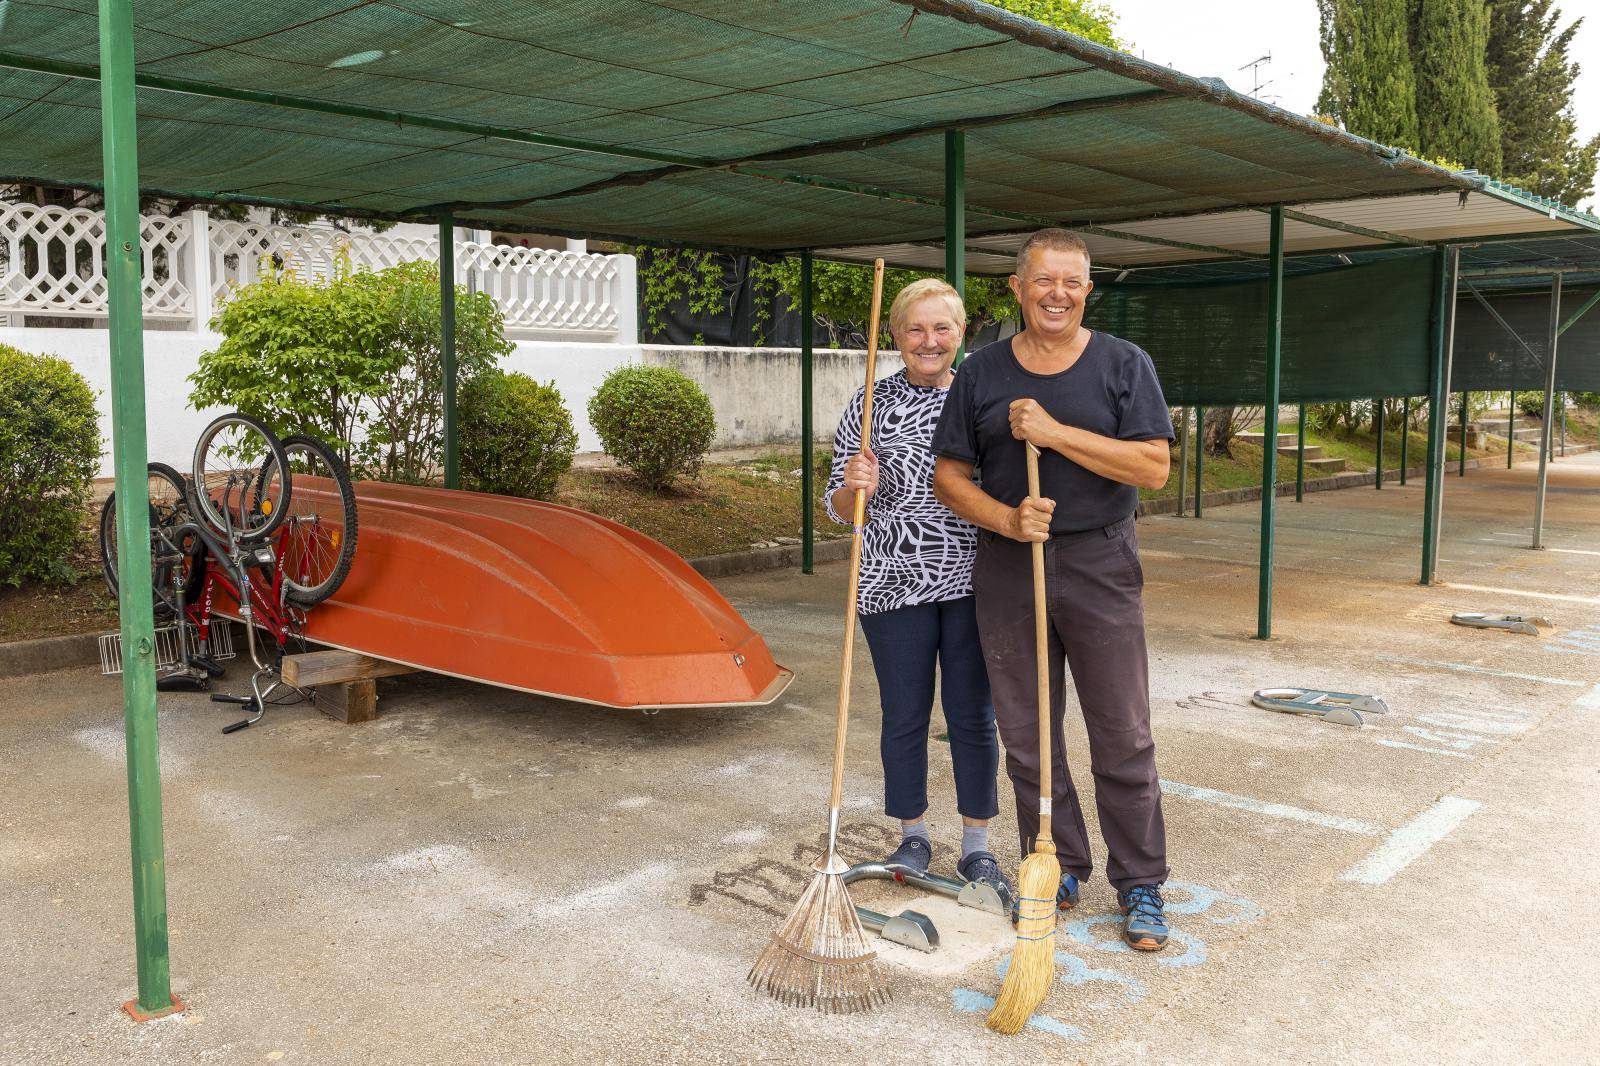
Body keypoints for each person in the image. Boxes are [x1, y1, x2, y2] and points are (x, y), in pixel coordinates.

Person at [930, 229, 1174, 951]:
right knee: (1029, 731)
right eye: (1043, 281)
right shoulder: (980, 373)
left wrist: (1054, 432)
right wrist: (1006, 516)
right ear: (1017, 288)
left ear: (1088, 290)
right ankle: (1059, 861)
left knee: (1122, 732)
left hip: (1101, 563)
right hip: (1010, 565)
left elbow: (1153, 467)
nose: (1057, 294)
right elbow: (949, 478)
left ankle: (1142, 885)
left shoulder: (1124, 364)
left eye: (1072, 281)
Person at [826, 277, 1009, 897]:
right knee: (905, 713)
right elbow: (841, 508)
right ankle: (913, 833)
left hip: (971, 579)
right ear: (896, 335)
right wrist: (856, 486)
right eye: (914, 329)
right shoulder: (869, 405)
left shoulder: (983, 400)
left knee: (971, 715)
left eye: (941, 328)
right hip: (888, 583)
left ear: (962, 334)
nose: (928, 341)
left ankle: (977, 847)